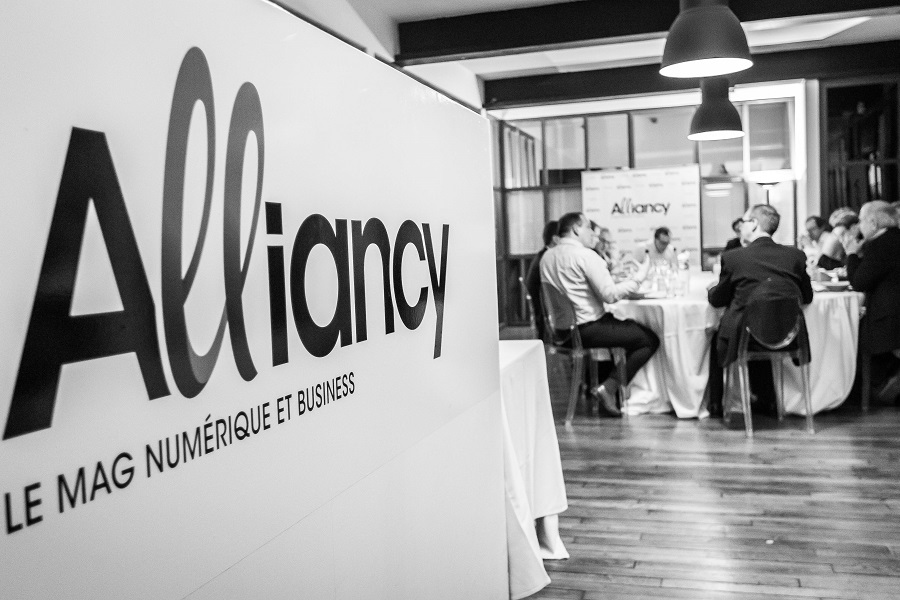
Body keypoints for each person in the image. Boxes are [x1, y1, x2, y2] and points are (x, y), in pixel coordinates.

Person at [540, 212, 659, 417]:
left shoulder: (547, 257)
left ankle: (609, 387)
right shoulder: (585, 256)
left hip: (561, 333)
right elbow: (610, 295)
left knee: (627, 326)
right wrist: (639, 278)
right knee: (648, 340)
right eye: (588, 228)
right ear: (576, 229)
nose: (593, 233)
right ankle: (609, 388)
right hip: (587, 329)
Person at [707, 204, 813, 421]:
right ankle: (767, 399)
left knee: (722, 332)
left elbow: (718, 300)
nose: (741, 226)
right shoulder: (795, 256)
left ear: (754, 224)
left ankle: (716, 403)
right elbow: (807, 297)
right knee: (759, 322)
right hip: (787, 335)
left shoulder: (734, 258)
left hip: (743, 338)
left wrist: (711, 289)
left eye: (744, 221)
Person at [845, 200, 900, 403]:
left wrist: (851, 254)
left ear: (873, 223)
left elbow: (859, 282)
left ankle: (873, 393)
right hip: (893, 312)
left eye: (861, 221)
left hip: (889, 318)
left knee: (853, 340)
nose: (859, 226)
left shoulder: (881, 245)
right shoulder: (894, 238)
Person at [525, 220, 559, 340]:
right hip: (544, 309)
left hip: (543, 307)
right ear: (555, 239)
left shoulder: (544, 254)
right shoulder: (547, 258)